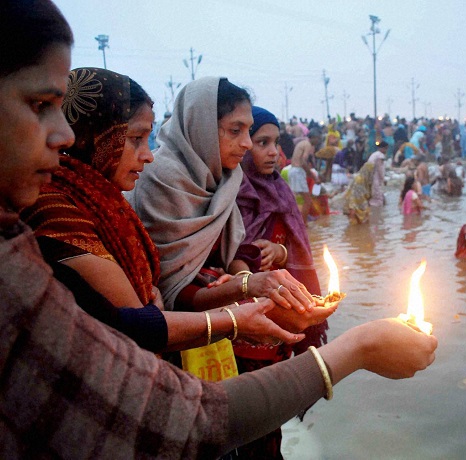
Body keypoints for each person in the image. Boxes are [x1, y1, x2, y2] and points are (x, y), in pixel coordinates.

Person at [0, 2, 437, 456]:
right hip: (173, 372)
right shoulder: (80, 207)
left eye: (260, 136)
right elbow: (144, 324)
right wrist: (247, 311)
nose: (64, 135)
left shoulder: (181, 192)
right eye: (38, 105)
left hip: (212, 348)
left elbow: (207, 272)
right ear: (203, 133)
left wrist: (260, 276)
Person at [21, 67, 325, 354]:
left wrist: (247, 276)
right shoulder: (58, 205)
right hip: (151, 346)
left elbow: (161, 283)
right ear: (96, 136)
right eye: (136, 138)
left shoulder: (111, 197)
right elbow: (142, 317)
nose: (148, 155)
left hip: (189, 329)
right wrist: (242, 298)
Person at [127, 78, 315, 316]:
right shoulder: (158, 179)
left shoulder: (226, 179)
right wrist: (245, 286)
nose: (246, 143)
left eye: (248, 131)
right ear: (200, 128)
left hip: (216, 318)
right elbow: (167, 287)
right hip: (164, 327)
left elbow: (233, 252)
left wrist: (244, 277)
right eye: (235, 131)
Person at [235, 106, 328, 457]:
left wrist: (280, 252)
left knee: (270, 416)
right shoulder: (227, 195)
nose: (274, 151)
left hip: (279, 319)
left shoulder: (281, 191)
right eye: (262, 142)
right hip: (238, 324)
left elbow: (296, 250)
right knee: (245, 414)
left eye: (276, 142)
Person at [290, 128, 323, 222]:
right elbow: (303, 162)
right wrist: (314, 177)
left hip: (293, 170)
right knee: (307, 200)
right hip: (297, 172)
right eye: (318, 138)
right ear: (313, 137)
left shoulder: (303, 143)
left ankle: (297, 221)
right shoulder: (307, 144)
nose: (318, 141)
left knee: (294, 199)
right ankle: (303, 224)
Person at [367, 140, 388, 207]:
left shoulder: (374, 154)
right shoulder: (380, 156)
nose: (386, 151)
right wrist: (383, 179)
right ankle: (376, 214)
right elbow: (380, 169)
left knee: (374, 196)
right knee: (378, 199)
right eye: (386, 149)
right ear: (383, 148)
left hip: (370, 178)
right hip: (375, 178)